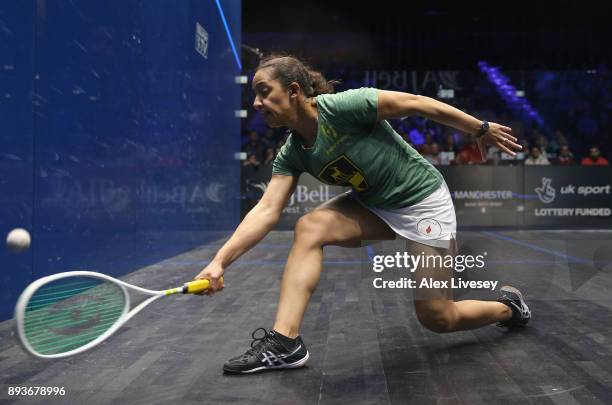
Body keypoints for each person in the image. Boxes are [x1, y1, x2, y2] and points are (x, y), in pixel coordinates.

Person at [195, 54, 530, 374]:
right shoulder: (293, 152)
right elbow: (267, 210)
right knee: (310, 228)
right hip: (373, 204)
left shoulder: (343, 107)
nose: (255, 103)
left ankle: (509, 307)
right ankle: (285, 343)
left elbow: (417, 103)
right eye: (255, 95)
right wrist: (220, 261)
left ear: (294, 91)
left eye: (264, 91)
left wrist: (479, 128)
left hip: (424, 203)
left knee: (438, 317)